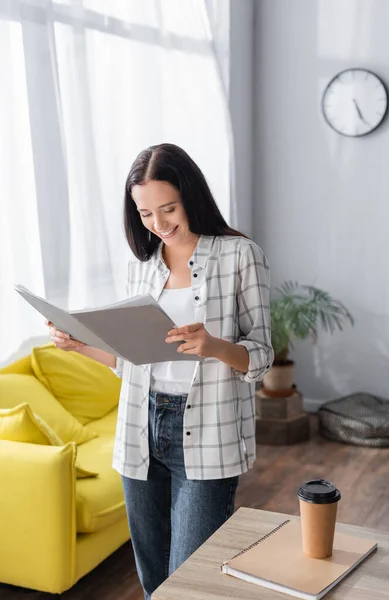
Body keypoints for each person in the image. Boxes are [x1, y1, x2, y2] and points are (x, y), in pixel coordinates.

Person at [47, 143, 273, 599]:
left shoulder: (239, 255)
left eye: (168, 208)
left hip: (206, 429)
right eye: (145, 213)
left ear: (191, 196)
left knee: (189, 583)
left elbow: (262, 355)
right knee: (154, 580)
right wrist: (80, 347)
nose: (159, 224)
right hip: (140, 428)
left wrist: (212, 346)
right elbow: (133, 363)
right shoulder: (143, 267)